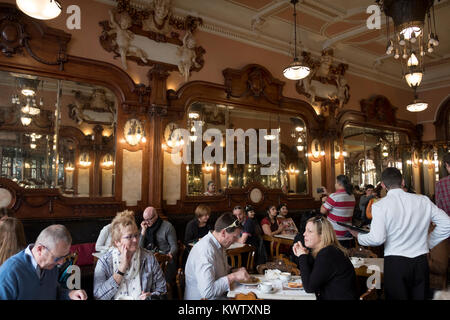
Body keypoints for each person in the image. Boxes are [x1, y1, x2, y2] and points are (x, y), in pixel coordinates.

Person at [348, 167, 450, 300]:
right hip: (420, 262)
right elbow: (447, 223)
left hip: (396, 263)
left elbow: (377, 239)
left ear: (383, 185)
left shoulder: (380, 206)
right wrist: (428, 242)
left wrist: (359, 236)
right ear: (402, 182)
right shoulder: (423, 200)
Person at [0, 224, 87, 300]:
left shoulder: (51, 266)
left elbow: (53, 291)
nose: (61, 263)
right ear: (40, 249)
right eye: (57, 258)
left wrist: (69, 294)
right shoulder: (10, 271)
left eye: (64, 257)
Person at [93, 210, 166, 300]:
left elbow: (162, 290)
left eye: (136, 235)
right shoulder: (105, 262)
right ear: (117, 242)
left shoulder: (149, 258)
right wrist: (121, 270)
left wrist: (150, 297)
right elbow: (98, 296)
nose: (135, 240)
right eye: (129, 237)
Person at [184, 212, 250, 300]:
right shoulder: (205, 250)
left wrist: (233, 270)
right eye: (234, 237)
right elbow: (208, 292)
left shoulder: (219, 244)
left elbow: (219, 269)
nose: (235, 241)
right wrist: (233, 276)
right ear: (223, 233)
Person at [292, 215, 357, 300]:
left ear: (322, 235)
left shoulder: (328, 254)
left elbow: (309, 287)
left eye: (310, 231)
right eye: (305, 230)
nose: (304, 234)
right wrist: (305, 256)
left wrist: (302, 256)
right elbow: (314, 276)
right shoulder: (328, 250)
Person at [139, 207, 178, 282]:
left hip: (164, 259)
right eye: (145, 219)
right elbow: (139, 248)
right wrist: (143, 232)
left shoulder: (168, 227)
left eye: (149, 219)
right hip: (149, 259)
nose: (146, 222)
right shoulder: (144, 226)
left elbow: (174, 247)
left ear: (156, 216)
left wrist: (169, 255)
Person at [320, 175, 356, 248]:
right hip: (347, 234)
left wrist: (323, 201)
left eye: (335, 183)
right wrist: (327, 193)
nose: (335, 184)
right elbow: (338, 199)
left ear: (338, 183)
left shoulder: (334, 197)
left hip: (336, 235)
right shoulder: (351, 196)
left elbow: (322, 211)